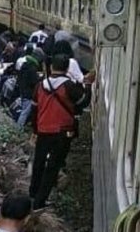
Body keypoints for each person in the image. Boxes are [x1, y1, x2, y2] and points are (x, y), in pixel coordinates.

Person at [29, 54, 93, 209]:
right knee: (53, 166)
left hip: (43, 130)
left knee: (38, 162)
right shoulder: (69, 86)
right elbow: (82, 103)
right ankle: (40, 202)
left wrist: (35, 131)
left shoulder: (40, 85)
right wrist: (88, 86)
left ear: (51, 67)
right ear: (66, 69)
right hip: (62, 133)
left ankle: (32, 194)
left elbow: (34, 109)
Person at [16, 45, 43, 128]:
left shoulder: (25, 63)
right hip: (28, 93)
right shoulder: (33, 68)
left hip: (23, 90)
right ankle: (18, 129)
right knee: (25, 112)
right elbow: (34, 82)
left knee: (23, 110)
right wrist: (39, 78)